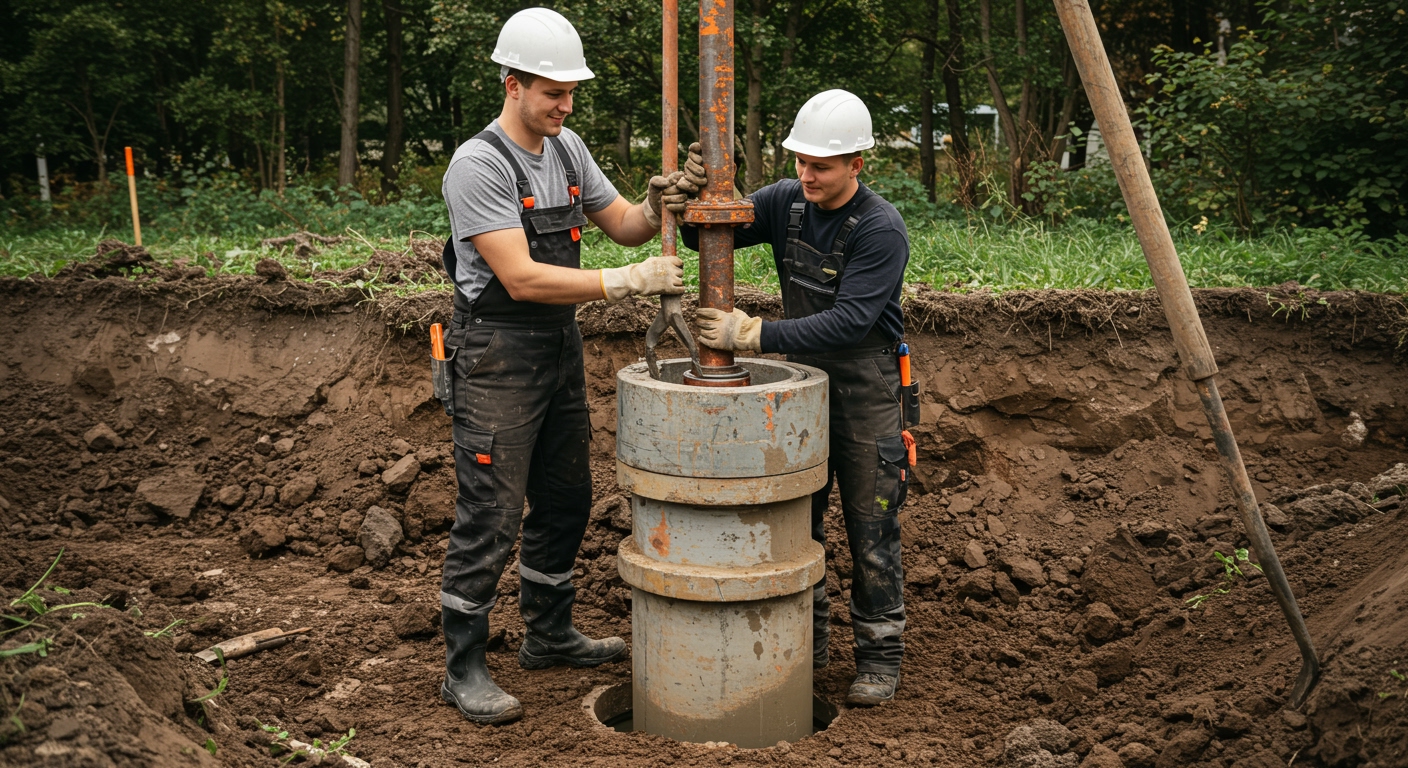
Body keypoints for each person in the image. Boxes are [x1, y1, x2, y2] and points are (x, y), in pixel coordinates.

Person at [437, 7, 689, 726]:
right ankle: (465, 667)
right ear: (513, 84)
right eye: (554, 91)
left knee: (567, 495)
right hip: (495, 355)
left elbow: (625, 227)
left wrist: (655, 201)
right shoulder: (478, 165)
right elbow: (519, 277)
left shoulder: (568, 148)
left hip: (557, 350)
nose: (567, 105)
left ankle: (548, 634)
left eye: (572, 92)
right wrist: (625, 281)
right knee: (489, 512)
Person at [679, 89, 912, 706]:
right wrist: (697, 198)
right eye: (801, 161)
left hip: (867, 391)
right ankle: (806, 648)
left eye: (822, 166)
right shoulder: (787, 202)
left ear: (857, 164)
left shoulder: (881, 228)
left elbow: (851, 322)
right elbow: (709, 235)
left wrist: (753, 333)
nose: (806, 174)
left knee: (872, 525)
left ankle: (880, 659)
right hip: (804, 389)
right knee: (795, 521)